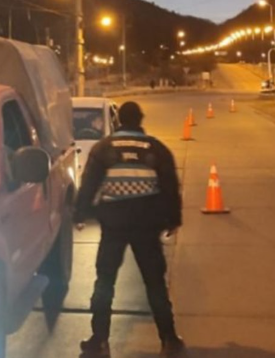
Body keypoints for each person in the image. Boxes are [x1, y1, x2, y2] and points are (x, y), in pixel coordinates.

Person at [74, 102, 185, 358]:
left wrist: (80, 213)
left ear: (120, 120)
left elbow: (89, 183)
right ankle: (169, 339)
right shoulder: (156, 148)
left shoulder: (103, 148)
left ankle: (99, 340)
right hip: (147, 225)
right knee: (155, 283)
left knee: (105, 280)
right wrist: (173, 218)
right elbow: (170, 186)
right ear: (140, 120)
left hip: (114, 225)